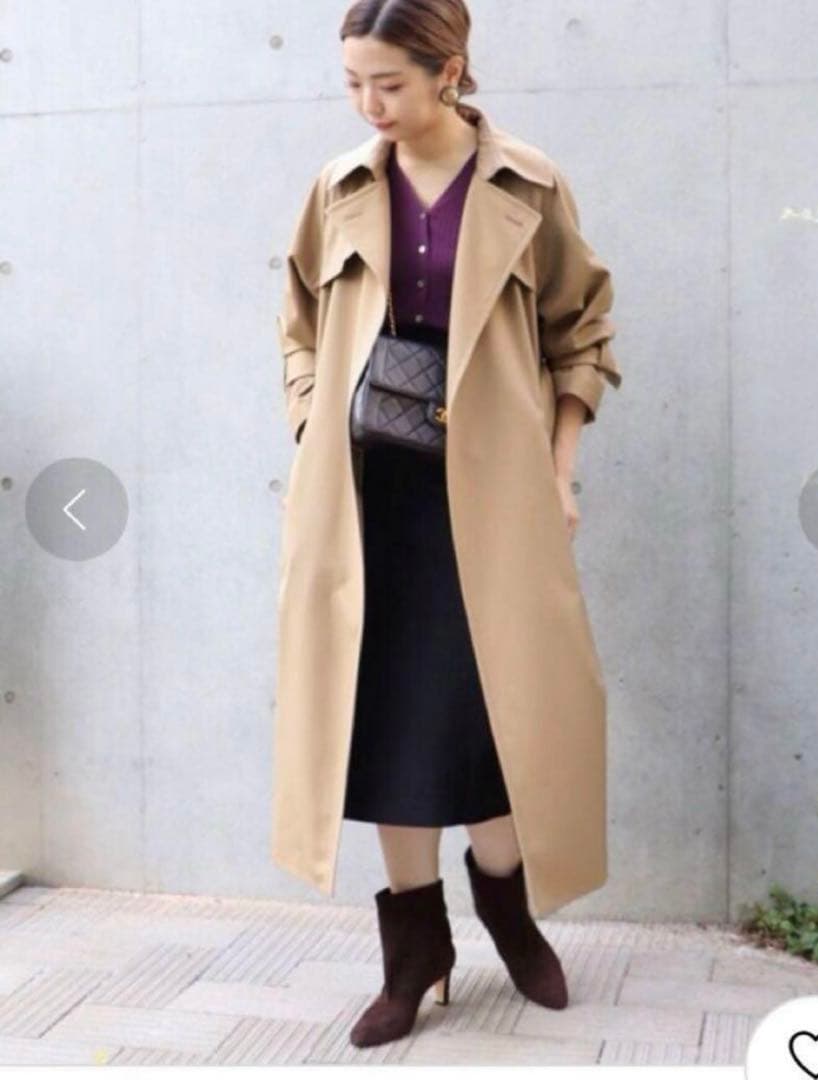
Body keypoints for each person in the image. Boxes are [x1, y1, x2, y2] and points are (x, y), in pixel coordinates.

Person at [274, 0, 623, 1050]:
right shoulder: (339, 189)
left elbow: (582, 333)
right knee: (382, 714)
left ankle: (507, 915)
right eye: (352, 83)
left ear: (449, 69)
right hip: (368, 499)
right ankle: (413, 948)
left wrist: (558, 473)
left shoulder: (526, 184)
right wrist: (313, 426)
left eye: (387, 83)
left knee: (496, 712)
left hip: (497, 496)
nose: (368, 104)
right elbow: (297, 326)